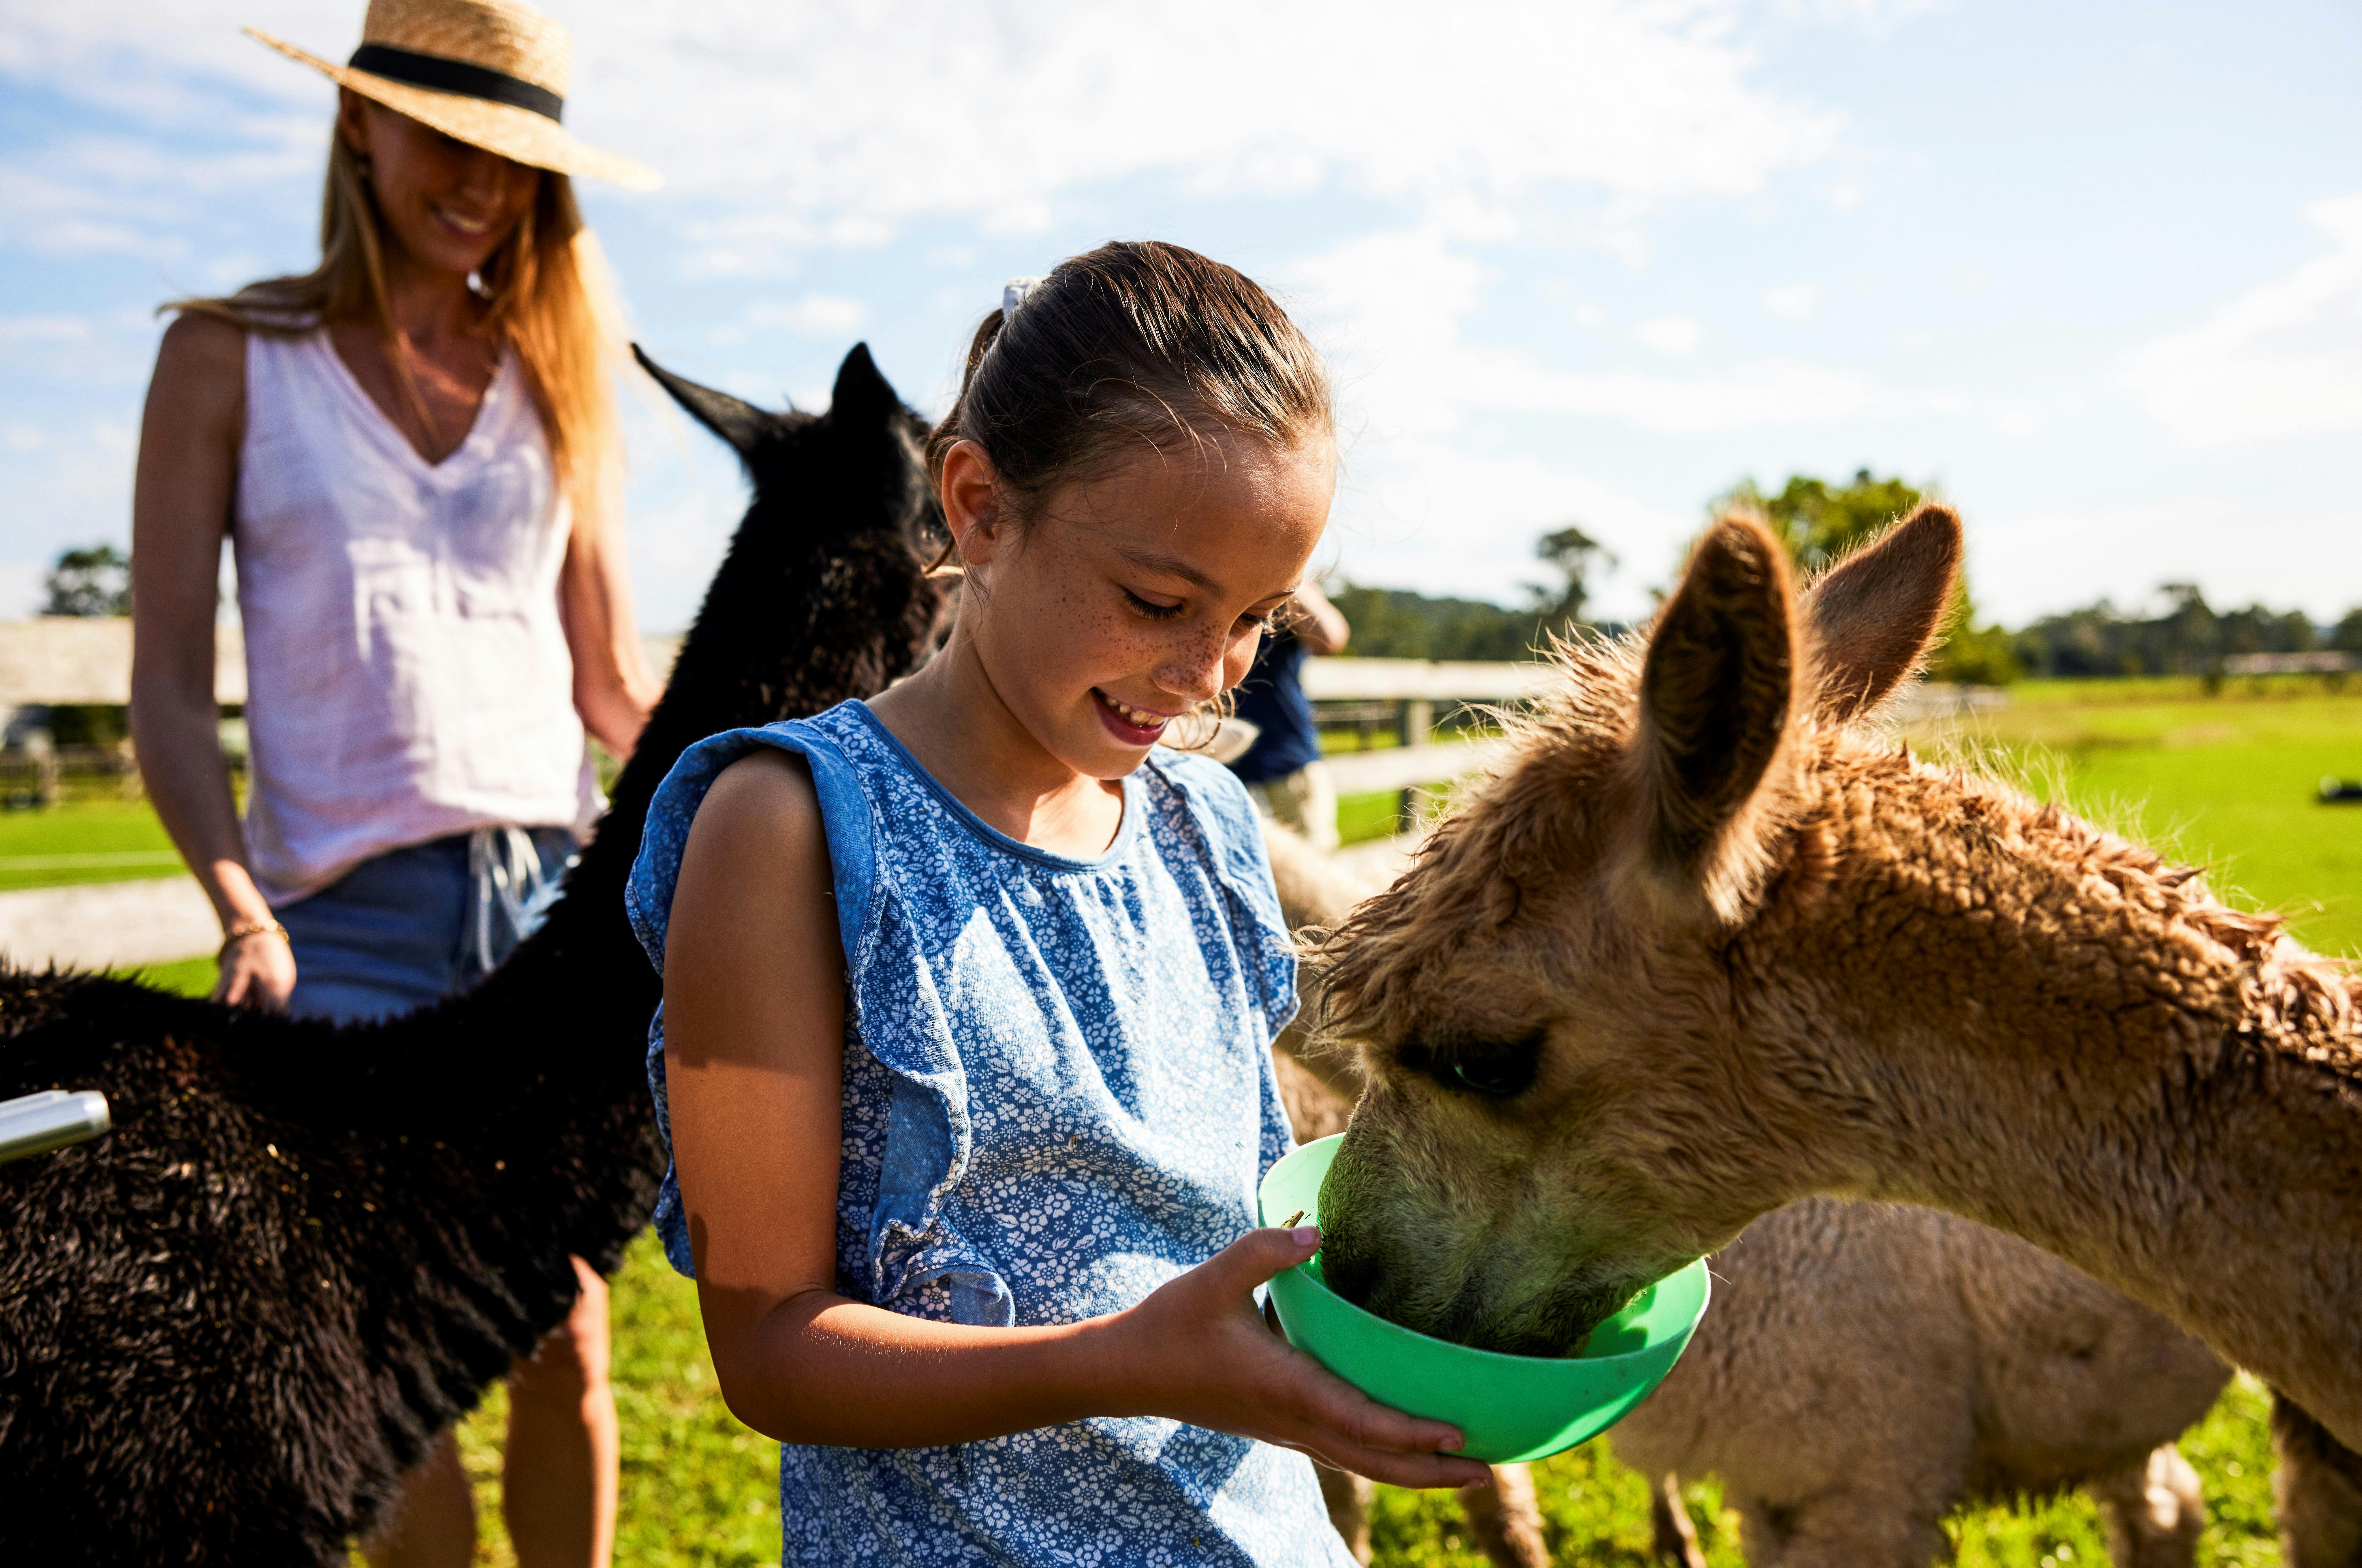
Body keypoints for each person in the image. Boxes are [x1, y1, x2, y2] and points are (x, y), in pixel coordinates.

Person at [638, 243, 1487, 1564]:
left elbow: (1211, 1239)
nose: (1209, 675)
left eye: (1255, 618)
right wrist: (1125, 1360)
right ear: (978, 507)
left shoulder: (1209, 827)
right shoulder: (788, 832)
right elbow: (769, 1348)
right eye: (1158, 600)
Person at [127, 2, 660, 1562]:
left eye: (514, 157)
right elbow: (168, 684)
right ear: (360, 122)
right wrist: (240, 906)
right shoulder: (226, 357)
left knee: (563, 1331)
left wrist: (802, 789)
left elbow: (612, 687)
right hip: (336, 928)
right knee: (386, 1371)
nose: (482, 184)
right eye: (446, 137)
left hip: (546, 911)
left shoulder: (555, 373)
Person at [1228, 581, 1350, 849]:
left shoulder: (1284, 588)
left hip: (1287, 760)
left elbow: (1329, 639)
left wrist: (1290, 580)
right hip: (1226, 764)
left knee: (1311, 862)